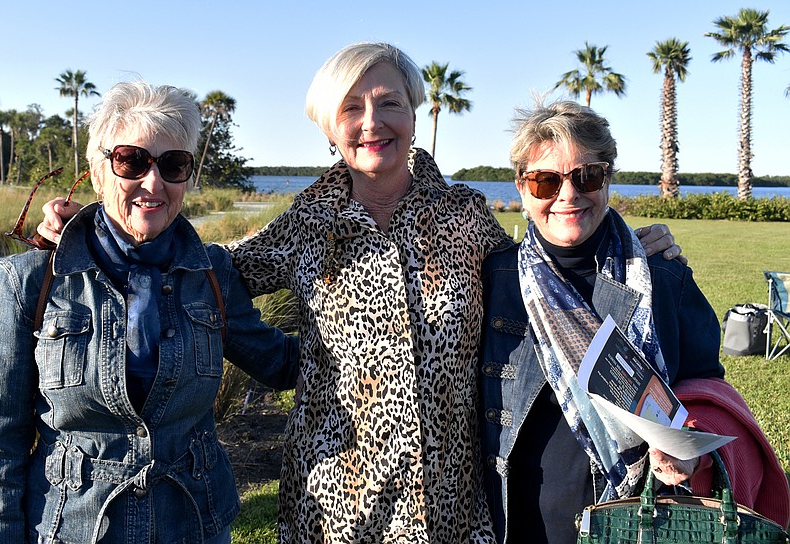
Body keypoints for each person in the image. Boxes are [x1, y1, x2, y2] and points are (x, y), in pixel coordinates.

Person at [35, 44, 682, 542]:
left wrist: (617, 244)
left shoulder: (464, 218)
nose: (372, 122)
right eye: (352, 107)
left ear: (415, 111)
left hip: (447, 505)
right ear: (330, 127)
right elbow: (203, 268)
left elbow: (544, 288)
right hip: (333, 507)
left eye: (389, 102)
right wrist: (87, 232)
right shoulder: (305, 224)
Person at [0, 81, 300, 544]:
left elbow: (283, 363)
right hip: (72, 530)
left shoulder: (212, 275)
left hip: (193, 527)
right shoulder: (30, 282)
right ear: (99, 171)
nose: (153, 181)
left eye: (173, 164)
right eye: (132, 160)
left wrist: (377, 321)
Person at [478, 99, 726, 544]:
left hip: (634, 523)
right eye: (545, 180)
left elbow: (708, 385)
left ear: (607, 177)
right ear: (521, 188)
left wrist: (690, 449)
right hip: (518, 525)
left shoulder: (663, 276)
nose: (568, 195)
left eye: (587, 175)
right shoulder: (494, 277)